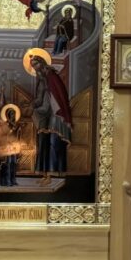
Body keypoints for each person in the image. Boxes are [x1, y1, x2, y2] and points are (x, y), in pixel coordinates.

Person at [30, 54, 72, 182]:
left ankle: (54, 175)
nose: (35, 68)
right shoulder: (41, 79)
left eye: (36, 64)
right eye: (33, 66)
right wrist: (32, 105)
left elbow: (60, 97)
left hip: (56, 113)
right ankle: (45, 174)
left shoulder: (52, 76)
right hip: (45, 113)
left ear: (42, 62)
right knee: (43, 143)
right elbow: (40, 99)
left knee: (54, 143)